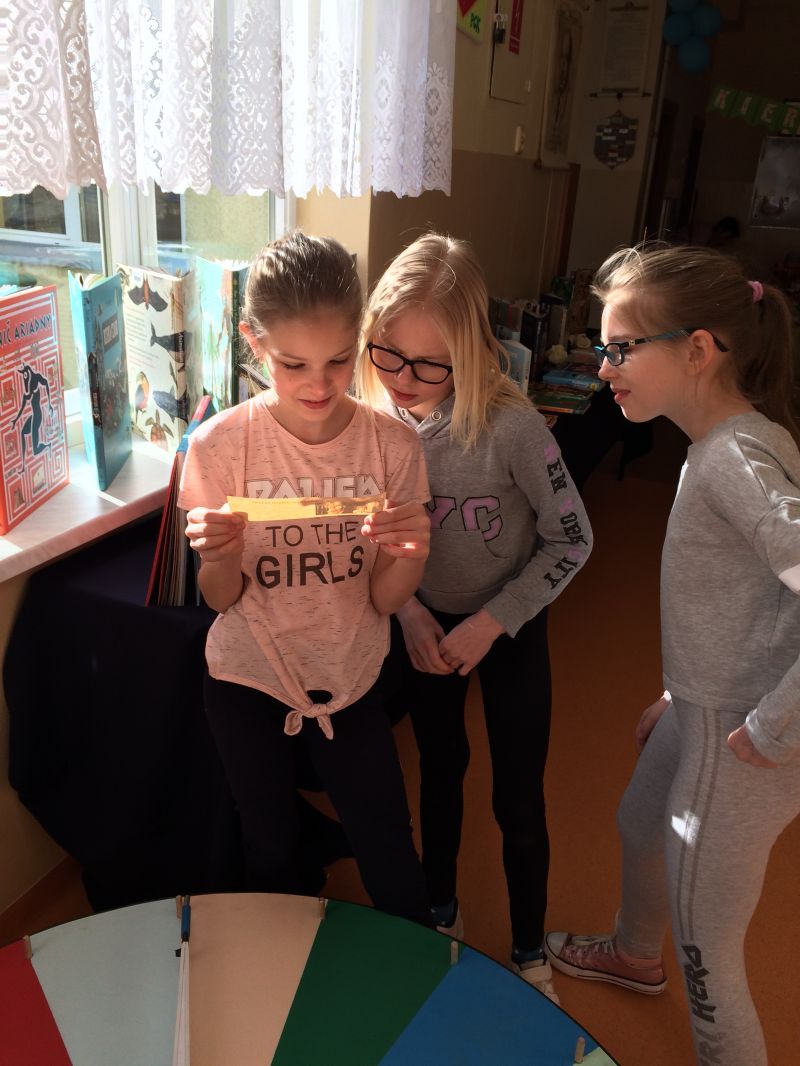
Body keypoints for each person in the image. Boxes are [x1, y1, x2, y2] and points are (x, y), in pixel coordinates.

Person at [545, 243, 800, 1065]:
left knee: (707, 948)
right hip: (704, 701)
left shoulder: (735, 462)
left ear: (697, 350)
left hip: (743, 736)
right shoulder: (729, 440)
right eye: (603, 346)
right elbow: (746, 596)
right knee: (638, 821)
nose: (603, 367)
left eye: (621, 348)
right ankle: (632, 953)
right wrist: (676, 690)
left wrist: (774, 725)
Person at [355, 233, 594, 1000]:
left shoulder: (513, 428)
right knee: (440, 771)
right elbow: (367, 536)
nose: (402, 381)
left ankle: (529, 949)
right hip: (426, 627)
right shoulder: (372, 424)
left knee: (517, 797)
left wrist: (492, 622)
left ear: (470, 352)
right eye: (388, 356)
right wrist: (410, 615)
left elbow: (574, 538)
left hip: (506, 626)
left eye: (429, 365)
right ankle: (440, 911)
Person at [179, 231, 433, 925]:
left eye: (339, 361)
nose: (319, 386)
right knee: (269, 847)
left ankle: (418, 968)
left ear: (361, 340)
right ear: (253, 344)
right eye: (293, 364)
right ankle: (279, 973)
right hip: (247, 676)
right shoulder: (219, 446)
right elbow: (221, 599)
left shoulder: (392, 444)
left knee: (388, 843)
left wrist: (411, 551)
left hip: (350, 673)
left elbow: (384, 598)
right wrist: (219, 555)